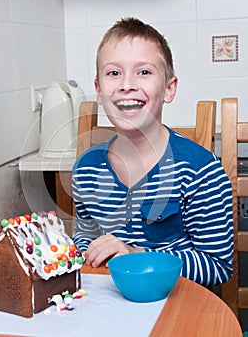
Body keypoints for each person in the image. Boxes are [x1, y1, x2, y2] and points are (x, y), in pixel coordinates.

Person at [72, 17, 233, 286]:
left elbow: (217, 266)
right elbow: (85, 237)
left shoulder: (199, 170)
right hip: (108, 304)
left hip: (175, 307)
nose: (127, 84)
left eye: (144, 72)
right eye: (114, 73)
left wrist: (137, 256)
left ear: (169, 89)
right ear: (99, 91)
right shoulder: (86, 169)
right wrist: (79, 251)